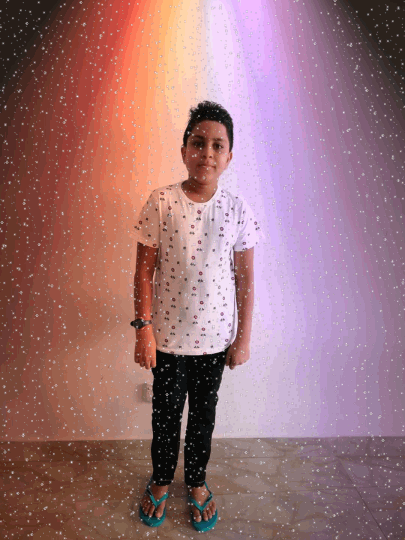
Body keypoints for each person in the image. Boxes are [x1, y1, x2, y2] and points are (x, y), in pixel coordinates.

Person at [132, 100, 265, 532]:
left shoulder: (237, 209)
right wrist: (144, 331)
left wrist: (243, 338)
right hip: (167, 340)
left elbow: (245, 278)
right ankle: (159, 479)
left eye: (217, 145)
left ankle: (197, 481)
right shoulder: (161, 202)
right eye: (198, 142)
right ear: (184, 150)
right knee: (165, 417)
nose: (207, 152)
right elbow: (144, 271)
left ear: (229, 156)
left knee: (203, 419)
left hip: (215, 343)